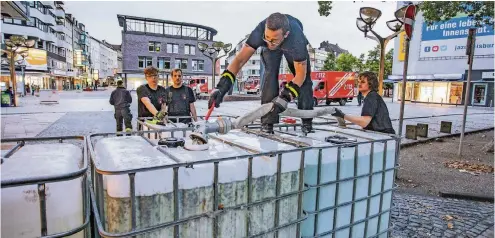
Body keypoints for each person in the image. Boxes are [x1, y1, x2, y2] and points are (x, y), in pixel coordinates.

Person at [208, 12, 314, 134]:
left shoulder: (297, 40)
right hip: (275, 44)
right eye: (267, 38)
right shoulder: (260, 31)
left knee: (305, 83)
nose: (269, 43)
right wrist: (222, 87)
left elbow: (300, 75)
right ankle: (268, 122)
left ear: (286, 35)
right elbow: (240, 60)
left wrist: (284, 98)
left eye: (273, 40)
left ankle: (307, 121)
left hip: (292, 48)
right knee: (269, 75)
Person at [331, 71, 396, 134]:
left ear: (371, 84)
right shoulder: (372, 96)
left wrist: (343, 115)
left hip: (383, 136)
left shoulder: (371, 97)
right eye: (358, 82)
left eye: (363, 82)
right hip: (382, 135)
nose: (359, 84)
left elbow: (364, 122)